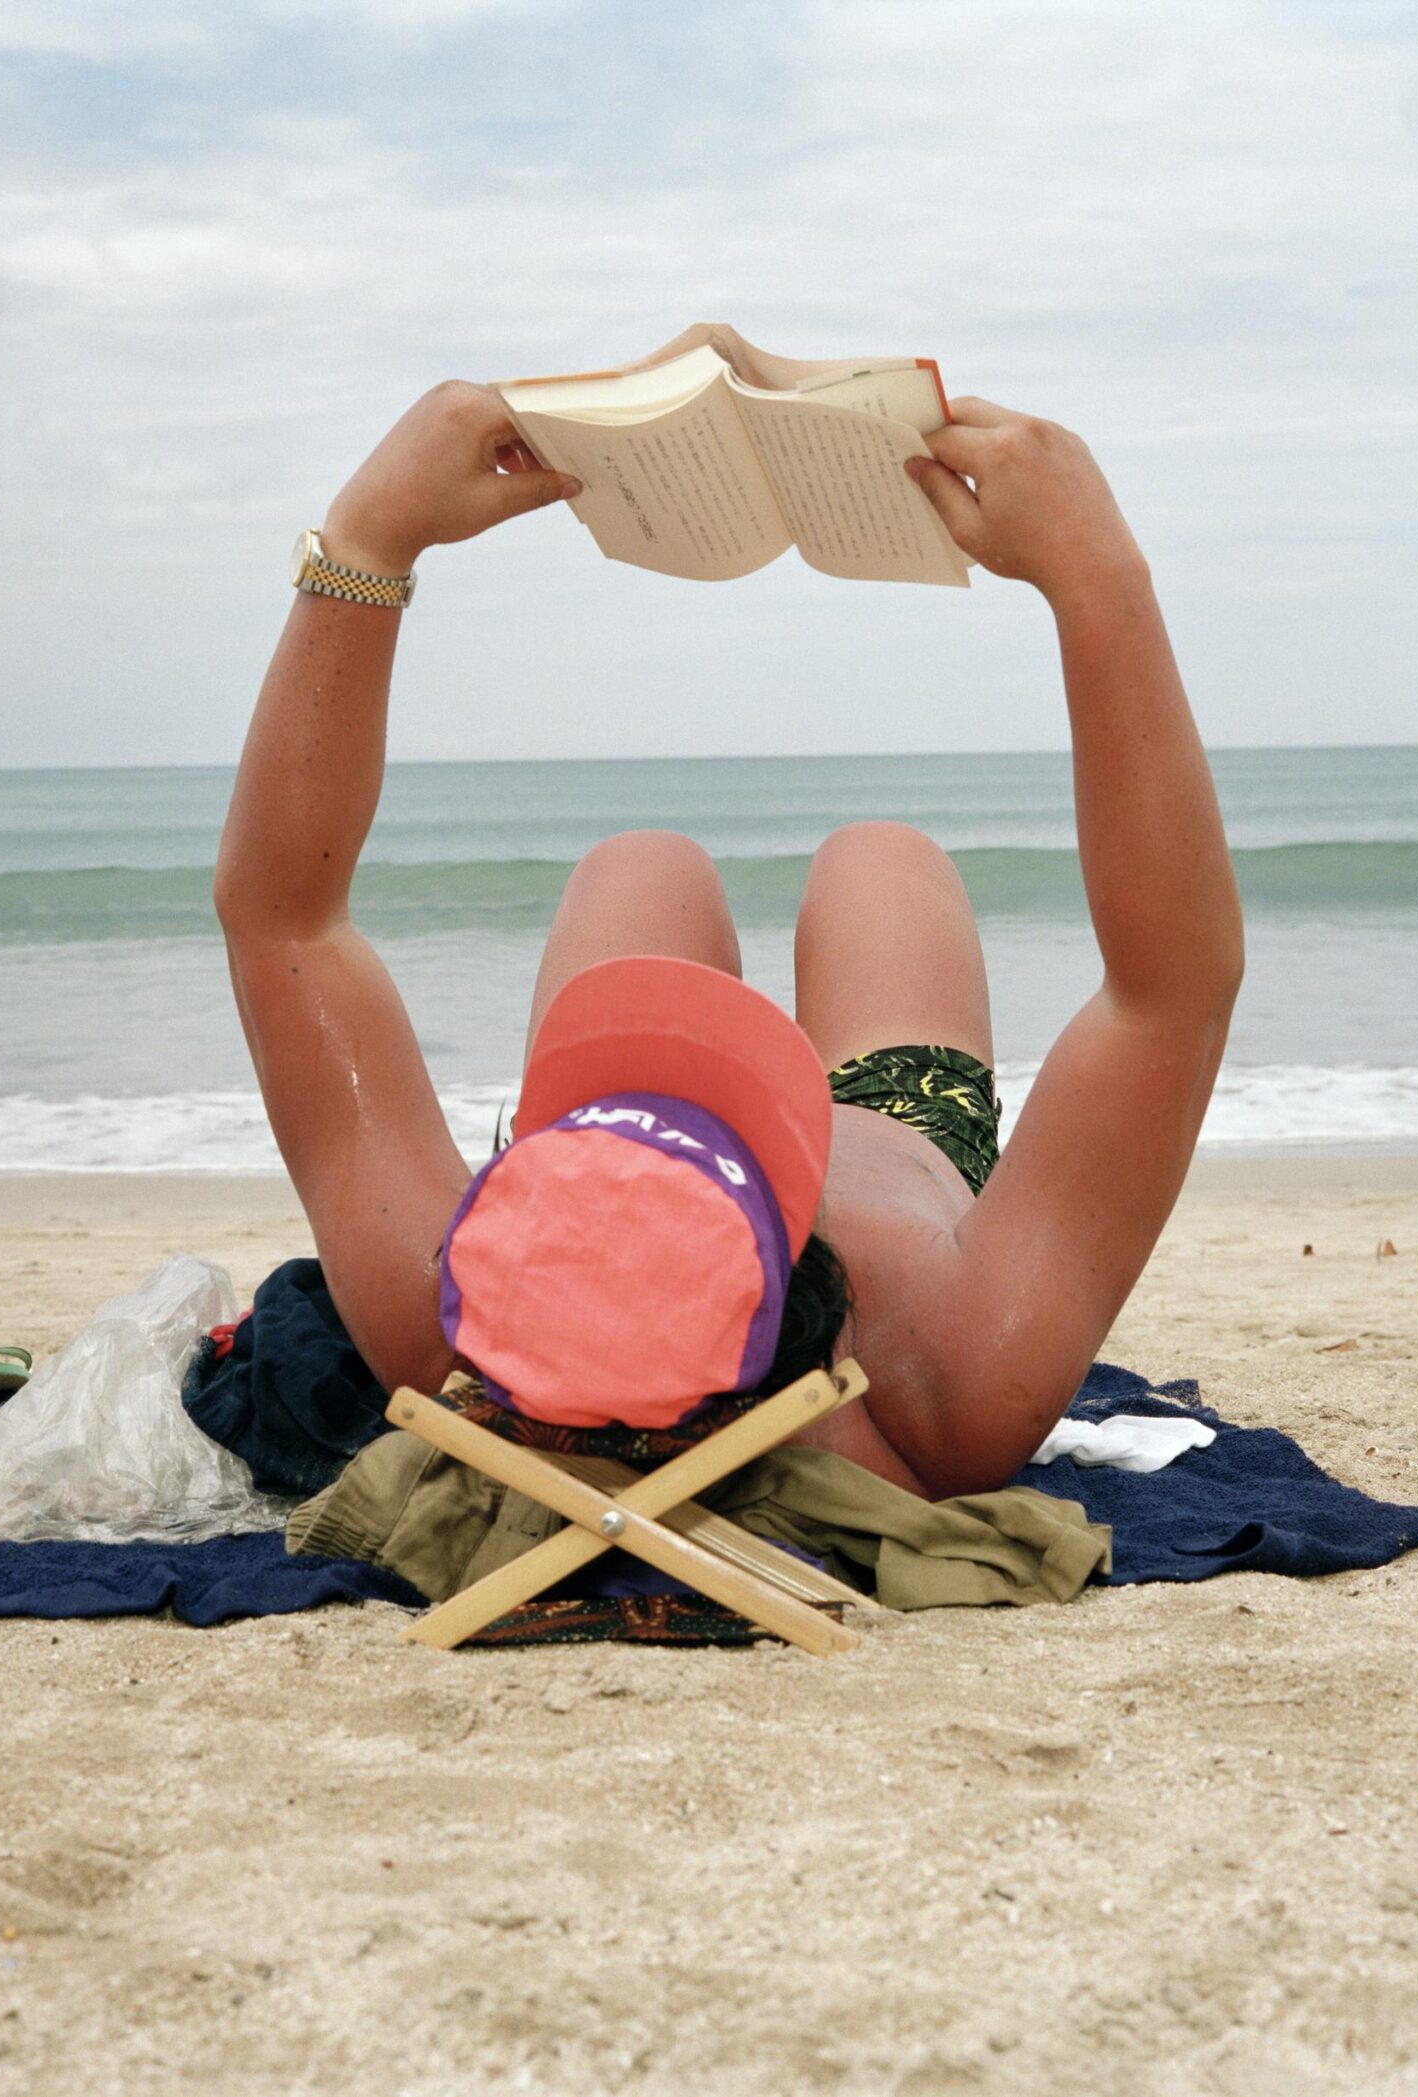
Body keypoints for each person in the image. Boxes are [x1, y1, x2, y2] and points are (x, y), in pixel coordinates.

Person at [214, 378, 1243, 1500]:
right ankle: (646, 1085)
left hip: (615, 1130)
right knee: (880, 858)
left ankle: (612, 1099)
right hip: (896, 1130)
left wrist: (368, 539)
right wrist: (1098, 575)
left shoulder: (460, 1342)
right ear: (809, 1286)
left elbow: (281, 919)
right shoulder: (942, 1373)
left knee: (644, 865)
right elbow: (1170, 990)